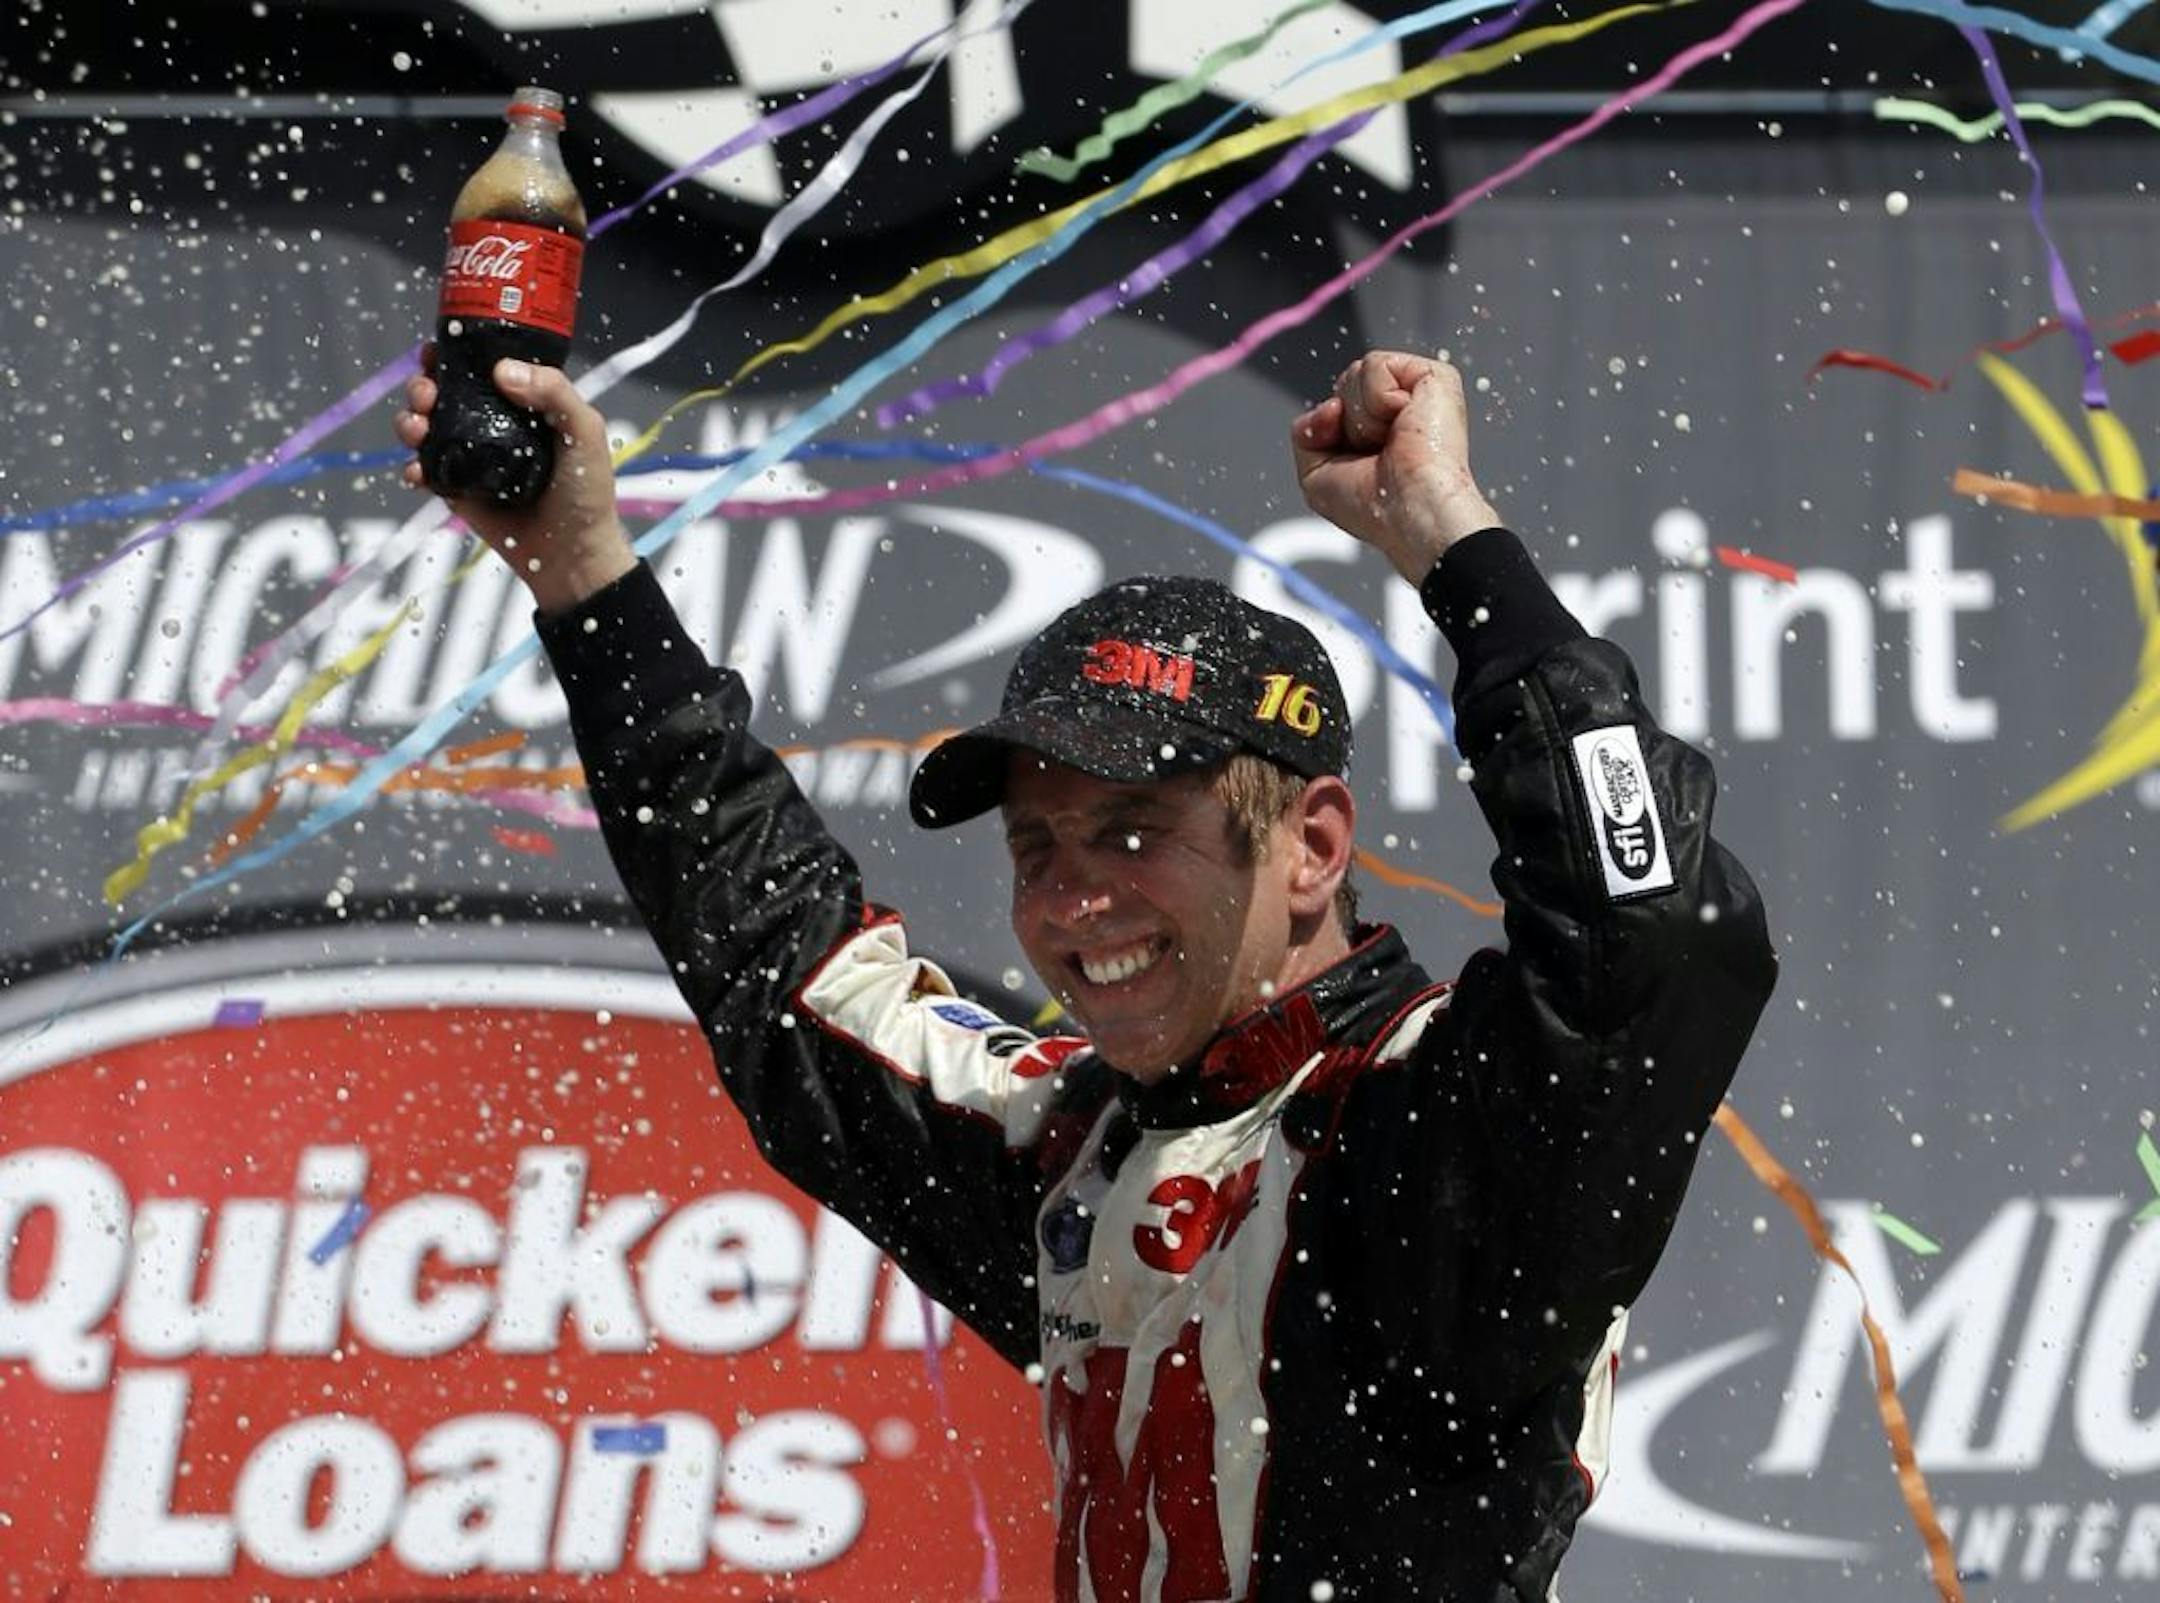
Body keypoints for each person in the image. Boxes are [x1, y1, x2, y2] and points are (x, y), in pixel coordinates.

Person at [397, 348, 1776, 1601]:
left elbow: (1655, 927)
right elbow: (783, 963)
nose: (1071, 898)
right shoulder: (1073, 1145)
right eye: (1038, 844)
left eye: (1134, 832)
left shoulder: (1441, 1126)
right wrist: (581, 574)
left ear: (1311, 847)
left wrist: (1449, 539)